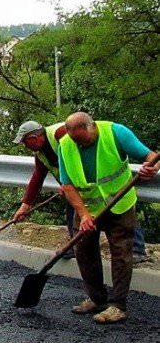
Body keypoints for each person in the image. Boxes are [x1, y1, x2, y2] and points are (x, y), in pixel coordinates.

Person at [58, 111, 158, 324]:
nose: (81, 146)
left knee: (121, 252)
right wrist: (84, 215)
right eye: (77, 142)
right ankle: (97, 298)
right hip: (88, 207)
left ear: (92, 127)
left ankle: (118, 306)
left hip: (119, 205)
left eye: (85, 141)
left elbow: (151, 156)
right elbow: (67, 185)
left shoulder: (116, 133)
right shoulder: (65, 145)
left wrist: (152, 168)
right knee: (83, 250)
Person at [13, 120, 150, 262]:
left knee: (121, 209)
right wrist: (25, 206)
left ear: (34, 138)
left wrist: (68, 182)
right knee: (74, 212)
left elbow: (79, 151)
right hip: (75, 187)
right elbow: (37, 178)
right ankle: (75, 245)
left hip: (97, 179)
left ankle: (137, 248)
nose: (25, 146)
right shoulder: (40, 153)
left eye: (25, 142)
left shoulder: (60, 133)